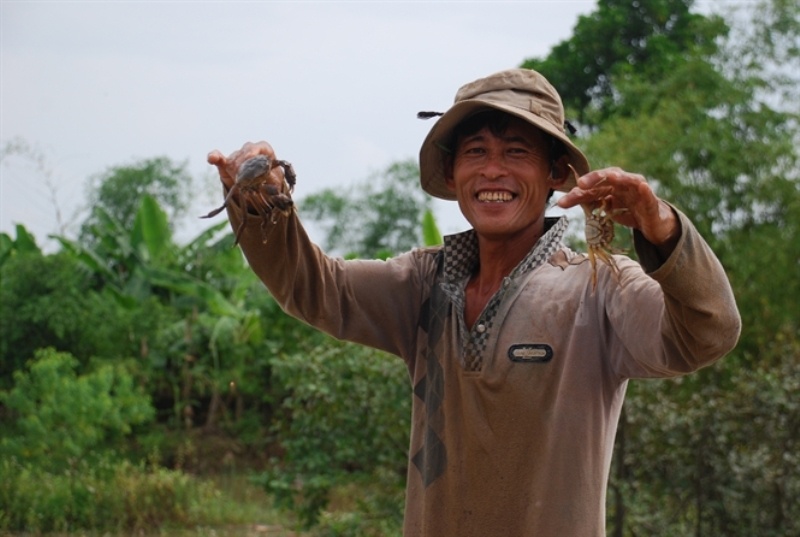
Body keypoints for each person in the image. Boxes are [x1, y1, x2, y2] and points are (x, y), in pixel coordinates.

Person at [208, 68, 741, 537]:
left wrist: (662, 226)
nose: (492, 171)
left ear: (556, 175)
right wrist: (262, 205)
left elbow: (707, 333)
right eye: (476, 152)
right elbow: (315, 288)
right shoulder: (422, 284)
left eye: (516, 152)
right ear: (452, 174)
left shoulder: (600, 289)